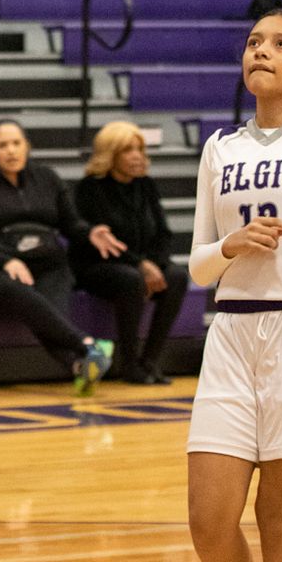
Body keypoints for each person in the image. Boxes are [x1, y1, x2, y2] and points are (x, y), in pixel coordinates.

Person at [187, 7, 282, 562]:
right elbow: (198, 266)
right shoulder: (218, 149)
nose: (262, 51)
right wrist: (231, 245)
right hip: (230, 336)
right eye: (255, 41)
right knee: (208, 519)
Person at [0, 120, 122, 394]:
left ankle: (79, 366)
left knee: (49, 307)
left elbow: (71, 224)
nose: (11, 151)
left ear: (27, 146)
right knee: (26, 296)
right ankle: (87, 345)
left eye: (16, 144)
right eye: (3, 145)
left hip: (46, 262)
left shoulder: (48, 178)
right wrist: (6, 262)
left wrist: (89, 233)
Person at [72, 122, 188, 385]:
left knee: (178, 276)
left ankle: (150, 361)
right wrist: (142, 266)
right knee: (130, 278)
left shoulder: (145, 185)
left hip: (140, 264)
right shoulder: (91, 188)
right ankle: (130, 364)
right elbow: (104, 244)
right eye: (127, 150)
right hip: (96, 265)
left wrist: (155, 265)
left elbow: (163, 234)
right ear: (110, 154)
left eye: (139, 149)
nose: (136, 155)